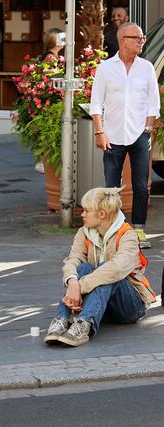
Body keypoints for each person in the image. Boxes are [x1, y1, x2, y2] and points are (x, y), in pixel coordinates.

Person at [44, 187, 155, 347]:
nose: (82, 214)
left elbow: (116, 269)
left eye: (87, 210)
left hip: (130, 307)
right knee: (83, 268)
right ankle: (62, 319)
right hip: (100, 304)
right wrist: (72, 282)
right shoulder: (83, 232)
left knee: (107, 271)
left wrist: (79, 286)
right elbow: (73, 259)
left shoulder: (128, 235)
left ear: (102, 214)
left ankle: (83, 325)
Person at [91, 22, 160, 249]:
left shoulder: (146, 68)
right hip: (112, 136)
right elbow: (96, 103)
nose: (141, 41)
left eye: (142, 38)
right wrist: (100, 132)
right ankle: (113, 232)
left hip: (140, 135)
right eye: (137, 38)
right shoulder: (105, 68)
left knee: (141, 186)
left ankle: (138, 230)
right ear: (123, 40)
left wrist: (147, 129)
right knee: (111, 188)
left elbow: (153, 103)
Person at [33, 28, 65, 175]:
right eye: (62, 38)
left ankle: (44, 161)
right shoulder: (51, 57)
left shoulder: (53, 56)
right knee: (48, 130)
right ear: (55, 40)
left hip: (49, 98)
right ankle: (43, 162)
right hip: (50, 99)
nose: (65, 41)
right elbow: (52, 79)